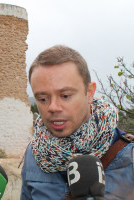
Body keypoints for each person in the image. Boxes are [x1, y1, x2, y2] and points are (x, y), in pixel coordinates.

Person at [21, 45, 134, 200]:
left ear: (89, 93)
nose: (53, 107)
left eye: (65, 95)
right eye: (43, 99)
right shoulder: (34, 154)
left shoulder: (129, 156)